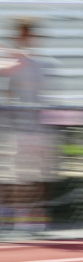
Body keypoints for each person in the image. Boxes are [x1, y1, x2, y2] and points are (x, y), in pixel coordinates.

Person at [0, 17, 56, 234]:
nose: (29, 38)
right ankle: (12, 219)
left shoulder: (40, 62)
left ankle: (33, 219)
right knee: (12, 176)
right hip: (12, 129)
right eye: (25, 34)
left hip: (35, 128)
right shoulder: (9, 61)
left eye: (31, 35)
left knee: (35, 176)